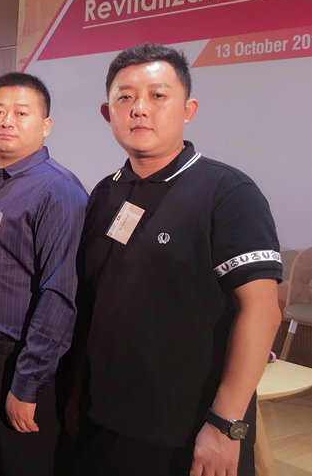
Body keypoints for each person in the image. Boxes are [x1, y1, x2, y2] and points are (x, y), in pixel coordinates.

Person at [69, 43, 283, 476]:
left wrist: (225, 425)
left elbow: (261, 311)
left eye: (158, 95)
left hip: (186, 430)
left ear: (188, 109)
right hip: (105, 421)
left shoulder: (227, 192)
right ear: (107, 113)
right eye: (124, 97)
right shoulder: (105, 193)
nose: (139, 109)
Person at [0, 72, 88, 476]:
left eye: (21, 112)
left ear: (45, 125)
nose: (6, 120)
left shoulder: (58, 191)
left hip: (18, 365)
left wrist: (27, 383)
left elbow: (59, 296)